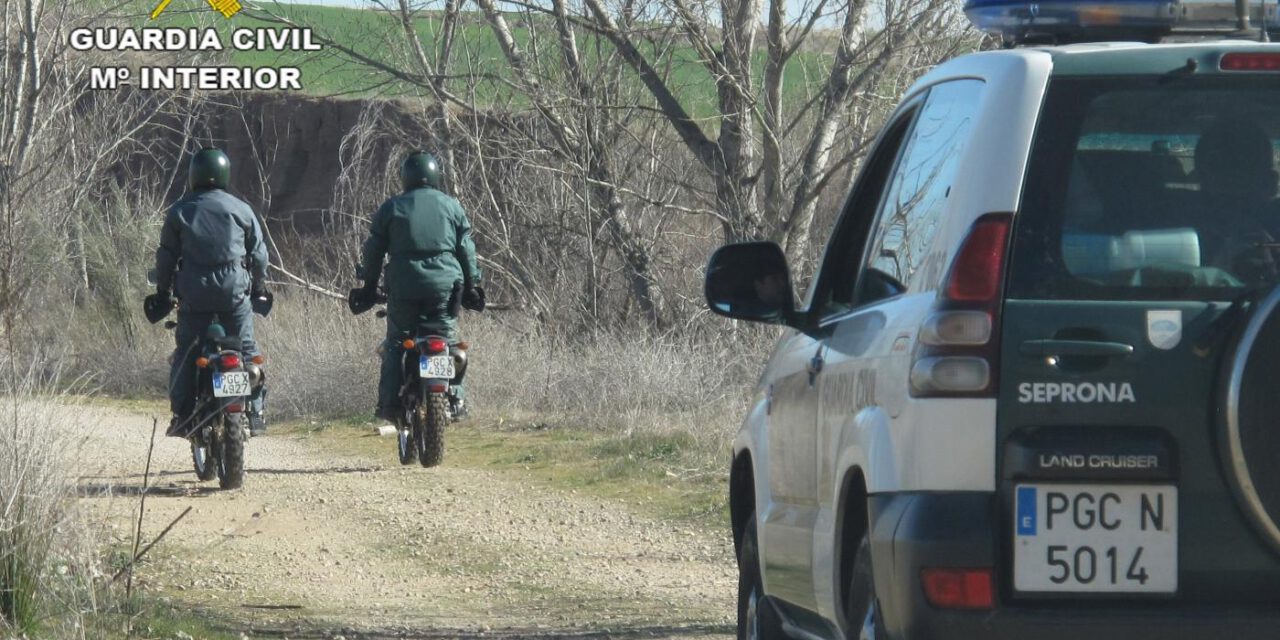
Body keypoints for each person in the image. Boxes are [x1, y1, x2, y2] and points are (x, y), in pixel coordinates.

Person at [351, 151, 484, 421]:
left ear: (405, 178)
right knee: (448, 340)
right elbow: (465, 249)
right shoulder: (452, 206)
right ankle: (456, 398)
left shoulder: (392, 207)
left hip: (403, 287)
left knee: (397, 343)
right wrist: (473, 284)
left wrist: (368, 287)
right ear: (436, 175)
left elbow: (374, 251)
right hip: (446, 288)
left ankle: (389, 406)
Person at [151, 147, 271, 438]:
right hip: (235, 296)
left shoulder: (180, 211)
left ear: (194, 175)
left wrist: (163, 292)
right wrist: (259, 287)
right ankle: (255, 411)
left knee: (186, 353)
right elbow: (259, 254)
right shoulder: (241, 209)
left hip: (194, 299)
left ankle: (182, 415)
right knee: (246, 352)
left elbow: (166, 257)